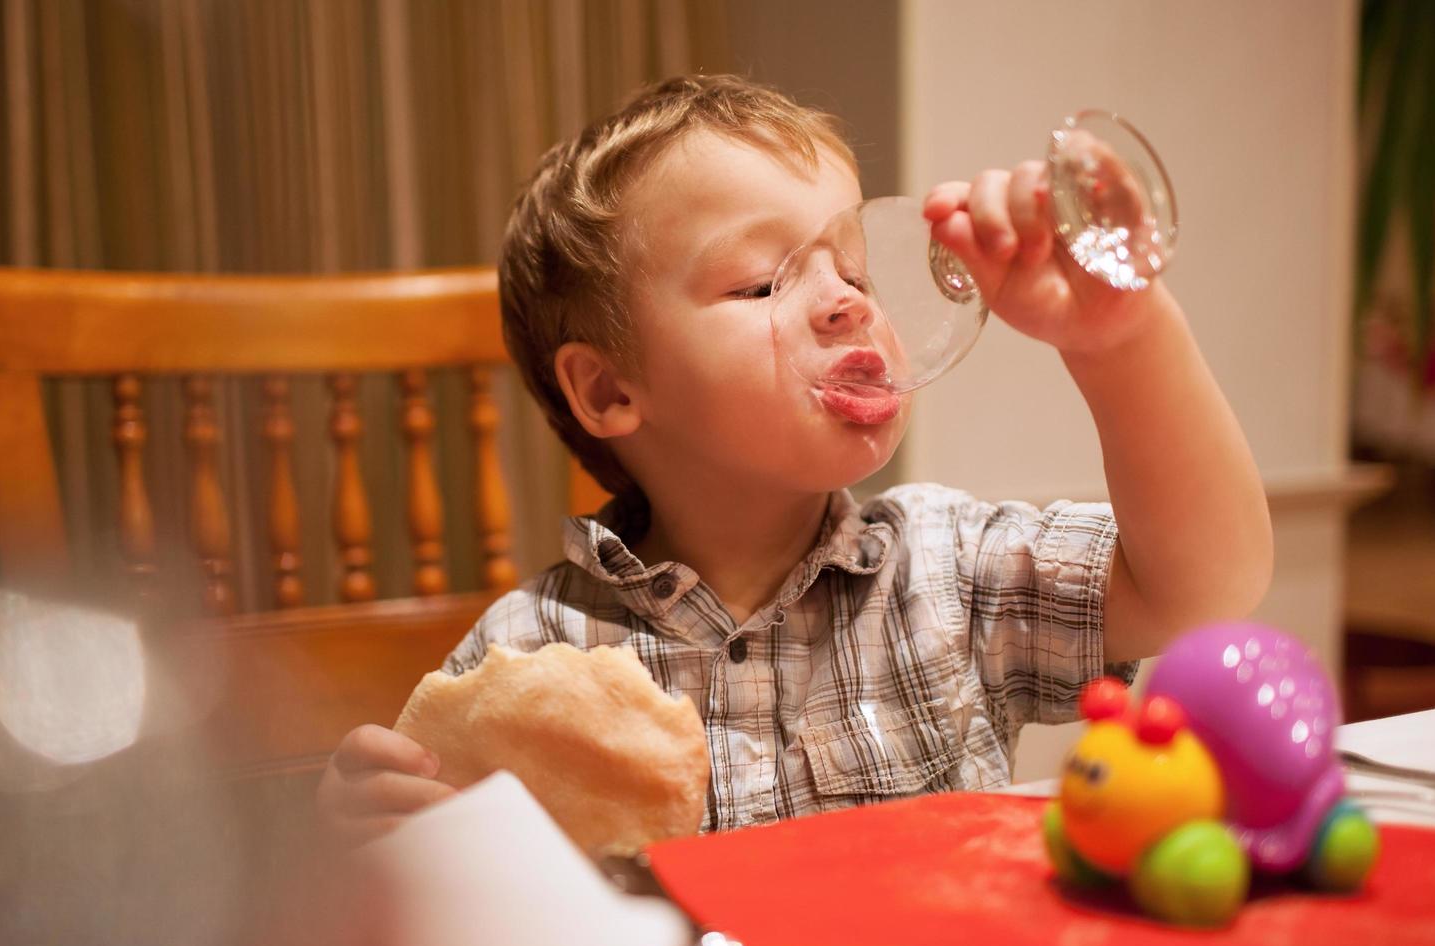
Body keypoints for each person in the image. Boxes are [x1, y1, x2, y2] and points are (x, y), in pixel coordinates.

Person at [317, 75, 1272, 846]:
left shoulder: (945, 566)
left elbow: (1203, 587)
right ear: (610, 391)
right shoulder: (527, 659)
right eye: (763, 280)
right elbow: (455, 915)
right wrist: (382, 837)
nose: (848, 301)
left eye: (855, 269)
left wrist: (1121, 338)